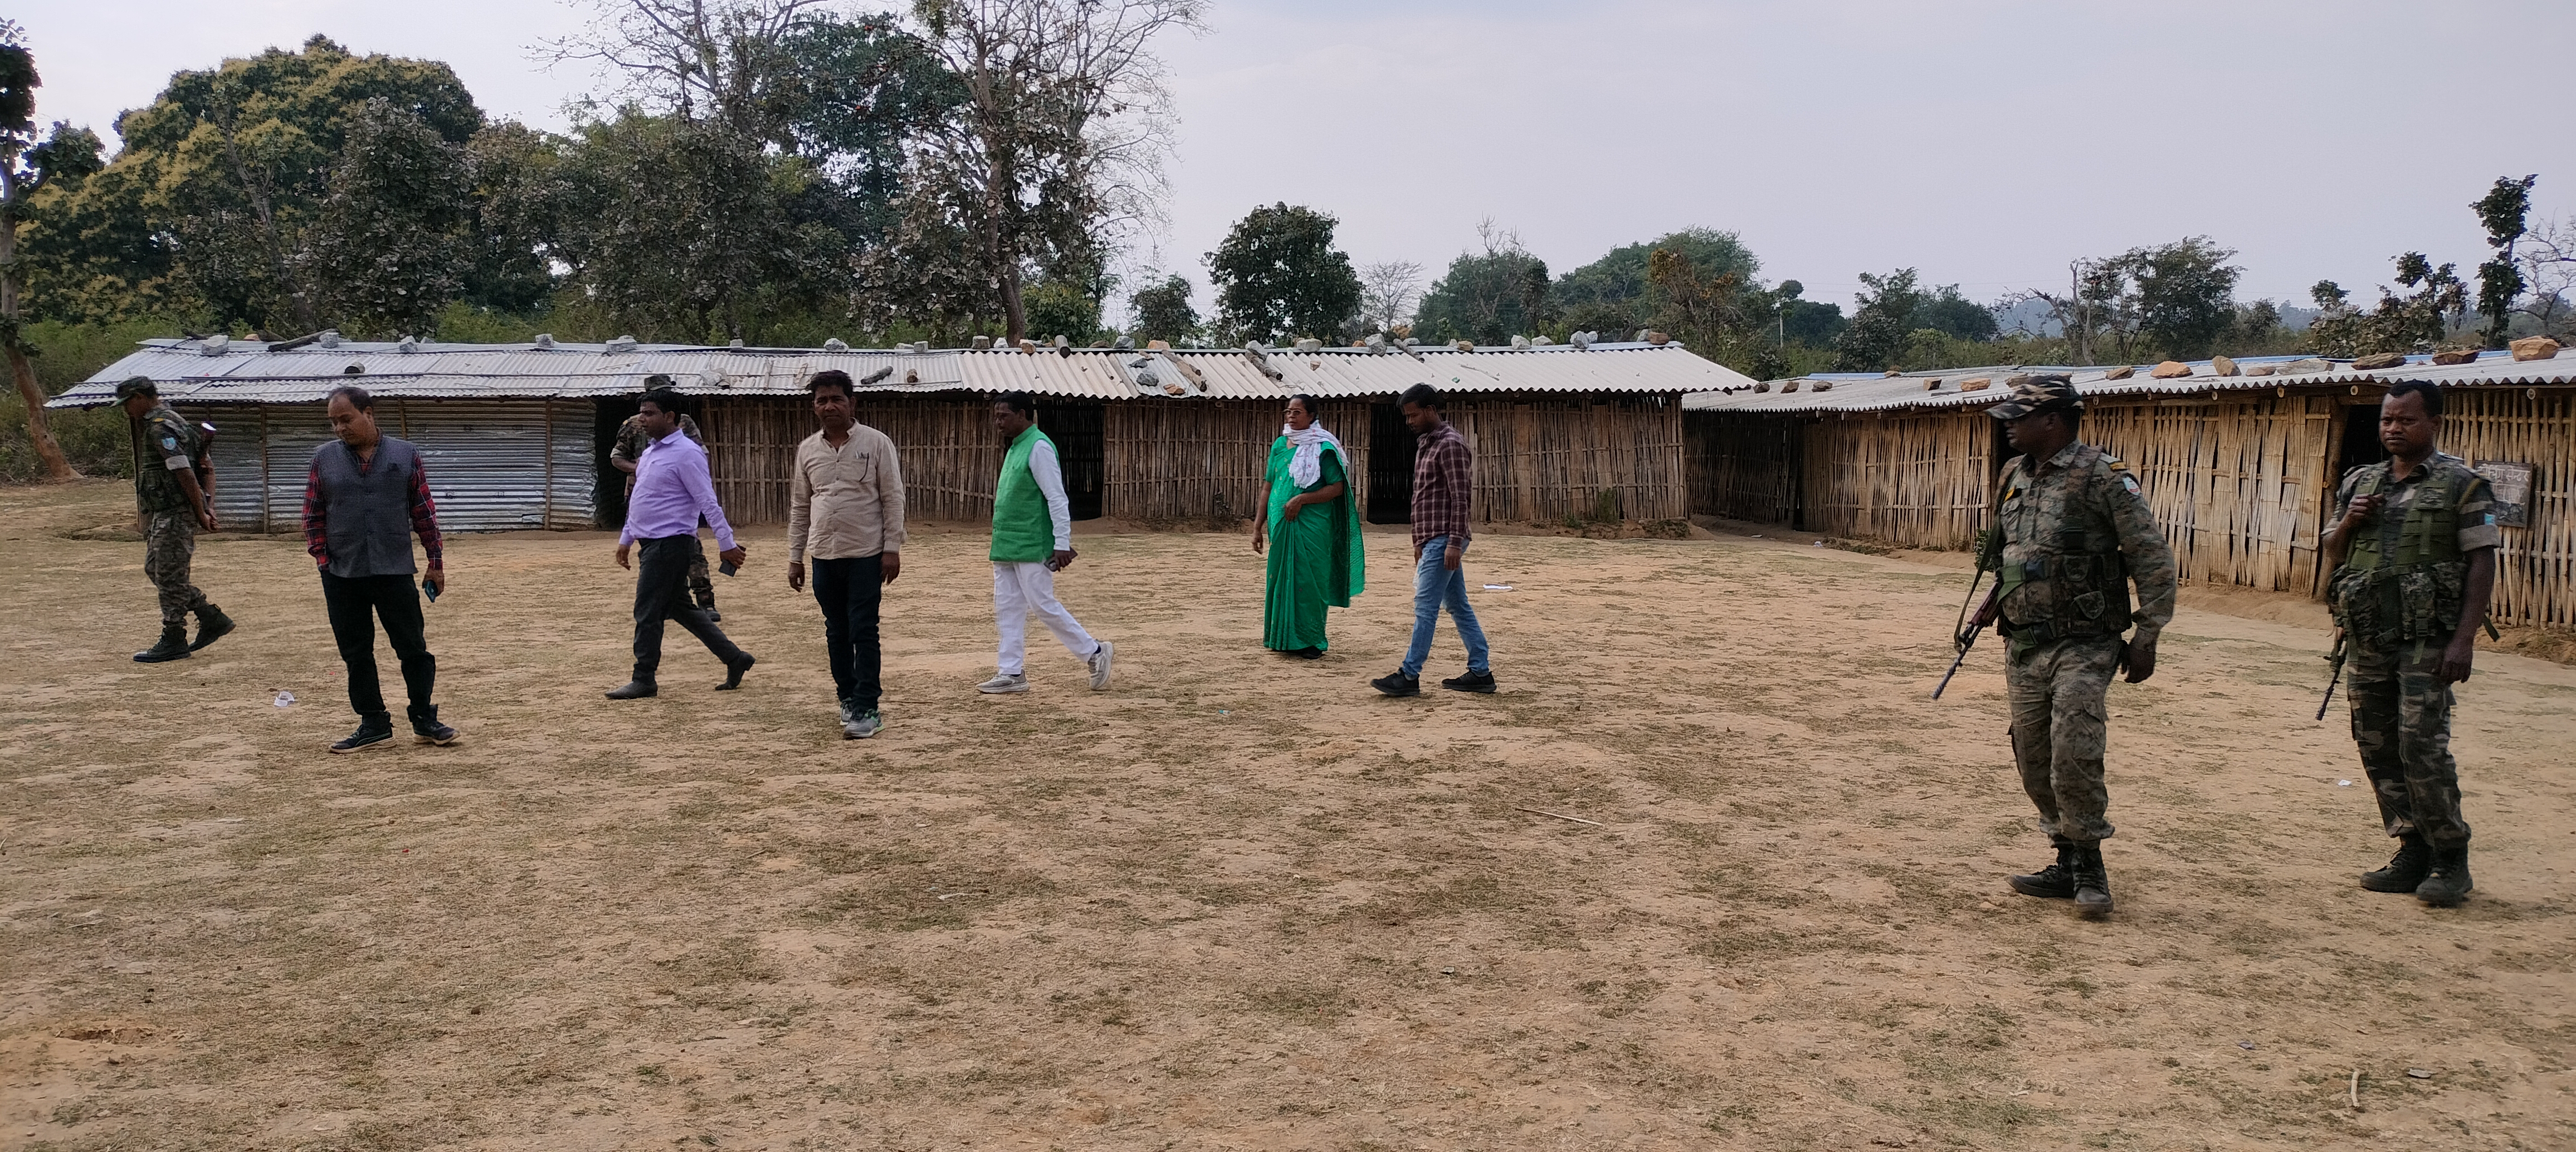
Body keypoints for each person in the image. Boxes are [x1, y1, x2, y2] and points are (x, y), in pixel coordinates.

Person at [1970, 375, 2177, 916]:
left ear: (2053, 420)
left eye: (2019, 416)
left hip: (2085, 642)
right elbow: (2008, 550)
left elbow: (2151, 558)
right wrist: (1997, 595)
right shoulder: (2012, 475)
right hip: (2025, 642)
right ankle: (2063, 857)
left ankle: (2089, 865)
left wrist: (2146, 635)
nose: (2009, 425)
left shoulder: (2103, 477)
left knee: (2073, 748)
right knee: (2032, 753)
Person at [2321, 380, 2498, 907]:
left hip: (2429, 639)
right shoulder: (2361, 481)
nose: (2393, 429)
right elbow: (2330, 547)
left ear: (2435, 423)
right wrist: (2351, 520)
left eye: (2405, 420)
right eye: (2386, 420)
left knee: (2421, 744)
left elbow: (2482, 561)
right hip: (2370, 636)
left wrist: (2464, 639)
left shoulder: (2462, 485)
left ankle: (2450, 856)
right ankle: (2412, 848)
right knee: (2375, 743)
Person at [302, 385, 459, 753]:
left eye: (346, 419)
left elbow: (424, 513)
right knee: (356, 652)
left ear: (368, 414)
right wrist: (325, 560)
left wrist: (435, 562)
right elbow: (312, 515)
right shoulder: (323, 459)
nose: (340, 428)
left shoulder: (405, 456)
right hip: (342, 574)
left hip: (394, 570)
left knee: (414, 649)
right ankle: (373, 724)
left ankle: (424, 719)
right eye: (333, 422)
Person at [608, 387, 755, 699]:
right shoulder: (649, 453)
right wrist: (626, 539)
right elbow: (641, 500)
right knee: (681, 609)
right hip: (651, 544)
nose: (642, 419)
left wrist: (726, 543)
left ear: (670, 417)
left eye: (649, 413)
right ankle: (735, 658)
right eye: (641, 413)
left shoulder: (688, 453)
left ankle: (644, 677)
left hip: (671, 544)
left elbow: (708, 502)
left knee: (647, 611)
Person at [786, 370, 906, 739]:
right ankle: (847, 696)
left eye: (837, 398)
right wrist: (795, 557)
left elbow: (893, 497)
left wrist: (892, 549)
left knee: (864, 630)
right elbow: (800, 507)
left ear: (852, 403)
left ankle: (868, 706)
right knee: (836, 631)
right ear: (814, 407)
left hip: (867, 554)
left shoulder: (876, 443)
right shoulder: (808, 450)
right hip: (824, 555)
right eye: (822, 400)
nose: (829, 406)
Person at [978, 391, 1113, 694]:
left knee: (1042, 604)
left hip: (1032, 542)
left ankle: (1095, 652)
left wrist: (1062, 542)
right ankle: (1011, 673)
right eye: (996, 416)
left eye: (1004, 416)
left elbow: (1056, 497)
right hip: (1007, 544)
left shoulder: (1038, 447)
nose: (998, 422)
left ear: (1024, 415)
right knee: (1007, 607)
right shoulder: (1015, 448)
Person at [1372, 383, 1495, 696]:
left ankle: (1409, 675)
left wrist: (1454, 542)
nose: (1409, 422)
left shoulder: (1450, 444)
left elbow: (1461, 497)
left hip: (1444, 537)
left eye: (1413, 415)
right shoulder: (1428, 443)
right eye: (1406, 417)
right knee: (1457, 605)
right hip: (1433, 537)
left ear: (1430, 410)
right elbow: (1424, 497)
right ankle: (1481, 672)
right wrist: (1419, 542)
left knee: (1425, 607)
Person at [116, 376, 233, 663]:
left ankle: (174, 637)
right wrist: (208, 505)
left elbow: (186, 472)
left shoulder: (160, 427)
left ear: (141, 397)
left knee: (167, 574)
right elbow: (207, 466)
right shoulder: (177, 422)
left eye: (127, 403)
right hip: (166, 511)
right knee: (156, 569)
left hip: (174, 512)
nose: (126, 411)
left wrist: (202, 510)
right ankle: (209, 615)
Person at [1253, 394, 1364, 658]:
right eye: (1288, 412)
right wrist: (1258, 526)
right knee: (1280, 579)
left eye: (1297, 412)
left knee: (1310, 580)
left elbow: (1337, 488)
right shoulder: (1280, 445)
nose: (1291, 416)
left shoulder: (1323, 448)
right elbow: (1269, 485)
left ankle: (1311, 641)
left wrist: (1302, 499)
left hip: (1313, 525)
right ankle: (1281, 638)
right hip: (1282, 524)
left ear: (1312, 416)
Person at [611, 374, 720, 620]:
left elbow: (698, 453)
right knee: (653, 553)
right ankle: (673, 601)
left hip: (675, 496)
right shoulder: (633, 424)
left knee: (690, 548)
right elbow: (616, 457)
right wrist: (637, 468)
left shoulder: (684, 422)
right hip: (644, 496)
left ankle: (705, 601)